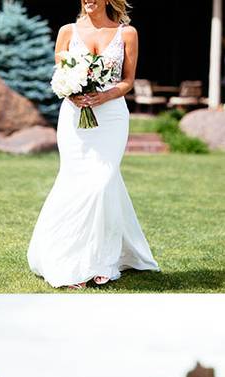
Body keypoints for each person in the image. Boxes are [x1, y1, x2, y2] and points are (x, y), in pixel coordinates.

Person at [27, 0, 160, 289]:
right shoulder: (67, 31)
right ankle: (65, 255)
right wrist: (71, 92)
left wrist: (105, 95)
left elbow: (128, 81)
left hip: (111, 116)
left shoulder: (127, 34)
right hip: (74, 118)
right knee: (74, 181)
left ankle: (102, 259)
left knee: (102, 181)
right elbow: (60, 75)